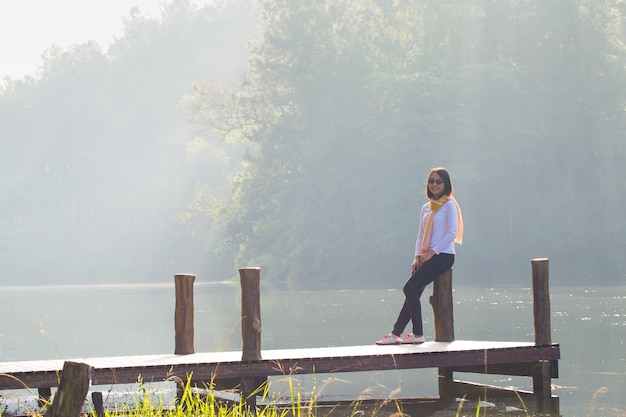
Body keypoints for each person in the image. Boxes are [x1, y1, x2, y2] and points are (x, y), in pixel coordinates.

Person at [376, 167, 463, 345]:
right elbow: (421, 236)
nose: (435, 184)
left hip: (443, 255)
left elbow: (451, 233)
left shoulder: (449, 205)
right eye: (432, 181)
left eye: (439, 181)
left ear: (445, 184)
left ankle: (418, 334)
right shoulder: (426, 207)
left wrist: (432, 253)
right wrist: (417, 257)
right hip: (425, 256)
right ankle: (396, 334)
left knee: (409, 289)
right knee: (412, 291)